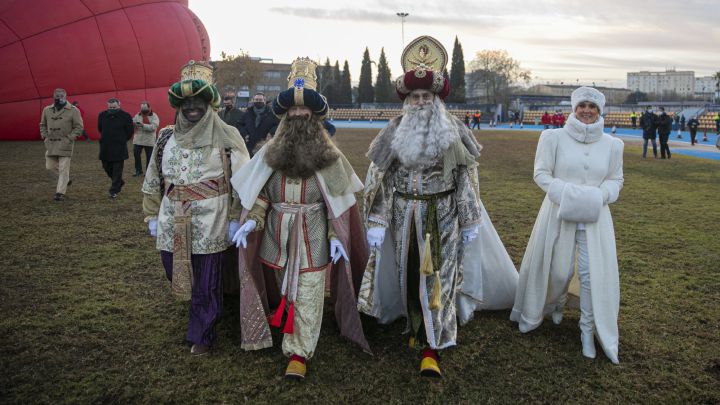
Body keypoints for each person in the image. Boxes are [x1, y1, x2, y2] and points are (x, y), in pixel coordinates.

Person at [359, 35, 518, 378]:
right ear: (407, 100)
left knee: (439, 281)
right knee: (409, 273)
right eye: (414, 97)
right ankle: (415, 324)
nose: (419, 102)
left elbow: (465, 178)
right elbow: (382, 179)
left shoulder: (453, 131)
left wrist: (470, 218)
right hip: (403, 217)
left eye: (426, 96)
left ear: (436, 99)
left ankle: (434, 344)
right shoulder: (393, 131)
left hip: (442, 216)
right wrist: (377, 219)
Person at [229, 57, 369, 380]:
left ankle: (298, 352)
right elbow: (263, 194)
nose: (298, 115)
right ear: (285, 115)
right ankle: (289, 326)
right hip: (279, 236)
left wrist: (337, 238)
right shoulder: (272, 153)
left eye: (304, 110)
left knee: (308, 288)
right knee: (288, 289)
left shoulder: (330, 158)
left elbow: (338, 205)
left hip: (315, 234)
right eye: (292, 110)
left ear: (314, 115)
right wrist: (253, 220)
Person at [141, 60, 250, 356]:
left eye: (198, 101)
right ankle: (201, 311)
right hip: (171, 219)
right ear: (179, 105)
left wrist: (234, 219)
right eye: (186, 102)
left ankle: (202, 333)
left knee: (206, 279)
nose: (192, 107)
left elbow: (244, 181)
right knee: (173, 268)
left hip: (211, 220)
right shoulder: (165, 137)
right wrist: (151, 214)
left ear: (208, 103)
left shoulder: (227, 136)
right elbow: (153, 177)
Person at [510, 87, 624, 364]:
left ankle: (587, 331)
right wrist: (566, 195)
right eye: (582, 105)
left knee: (589, 274)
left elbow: (615, 180)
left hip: (595, 220)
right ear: (574, 108)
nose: (587, 110)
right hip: (558, 213)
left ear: (599, 111)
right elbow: (541, 173)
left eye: (592, 107)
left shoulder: (613, 145)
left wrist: (599, 196)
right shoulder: (552, 137)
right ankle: (556, 303)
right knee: (560, 270)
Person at [39, 88, 84, 201]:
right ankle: (67, 179)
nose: (59, 98)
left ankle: (60, 193)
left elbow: (79, 127)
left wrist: (70, 138)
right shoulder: (47, 109)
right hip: (51, 144)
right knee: (50, 167)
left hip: (65, 144)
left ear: (65, 96)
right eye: (56, 96)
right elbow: (42, 124)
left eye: (61, 96)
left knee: (64, 169)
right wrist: (44, 135)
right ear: (53, 97)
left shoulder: (74, 110)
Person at [98, 98, 133, 198]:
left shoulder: (126, 116)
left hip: (119, 147)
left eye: (114, 107)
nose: (112, 109)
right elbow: (100, 128)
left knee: (117, 169)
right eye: (110, 107)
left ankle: (114, 190)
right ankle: (119, 182)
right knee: (106, 166)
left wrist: (121, 139)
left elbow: (129, 131)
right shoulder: (102, 115)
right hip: (105, 146)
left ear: (119, 105)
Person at [131, 101, 159, 176]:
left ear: (149, 108)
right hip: (138, 140)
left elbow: (153, 127)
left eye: (145, 108)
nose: (143, 110)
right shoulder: (138, 115)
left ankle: (148, 172)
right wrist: (133, 123)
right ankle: (138, 171)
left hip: (149, 140)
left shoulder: (154, 116)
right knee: (136, 155)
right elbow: (133, 121)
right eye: (142, 108)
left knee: (149, 157)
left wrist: (143, 125)